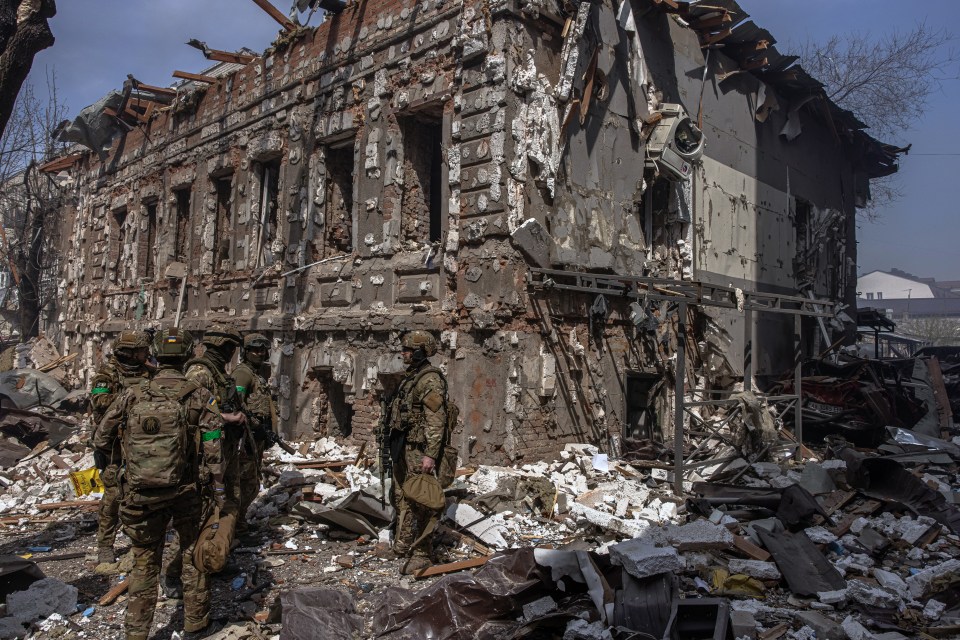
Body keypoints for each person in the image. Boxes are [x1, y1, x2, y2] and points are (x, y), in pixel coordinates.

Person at [93, 327, 226, 640]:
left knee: (144, 563)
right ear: (186, 357)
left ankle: (137, 633)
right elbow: (213, 445)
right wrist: (218, 488)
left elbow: (100, 438)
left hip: (140, 494)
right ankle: (196, 626)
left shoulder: (132, 394)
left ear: (154, 354)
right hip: (187, 492)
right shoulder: (199, 395)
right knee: (193, 557)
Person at [385, 330, 450, 575]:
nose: (404, 353)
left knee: (420, 500)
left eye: (409, 350)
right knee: (402, 495)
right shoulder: (412, 377)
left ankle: (422, 552)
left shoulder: (429, 380)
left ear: (421, 352)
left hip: (419, 449)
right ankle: (403, 544)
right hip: (404, 446)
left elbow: (436, 420)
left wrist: (430, 455)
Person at [89, 329, 152, 567]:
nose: (147, 353)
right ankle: (105, 545)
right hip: (114, 448)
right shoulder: (107, 375)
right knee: (114, 496)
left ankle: (140, 540)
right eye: (142, 350)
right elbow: (100, 404)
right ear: (129, 353)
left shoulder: (147, 372)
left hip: (141, 445)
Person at [232, 333, 277, 529]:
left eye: (262, 350)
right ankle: (235, 525)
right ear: (245, 352)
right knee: (245, 483)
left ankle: (239, 522)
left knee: (251, 482)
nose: (259, 354)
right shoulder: (243, 373)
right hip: (245, 438)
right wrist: (252, 424)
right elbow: (234, 404)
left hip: (255, 437)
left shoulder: (257, 375)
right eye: (254, 350)